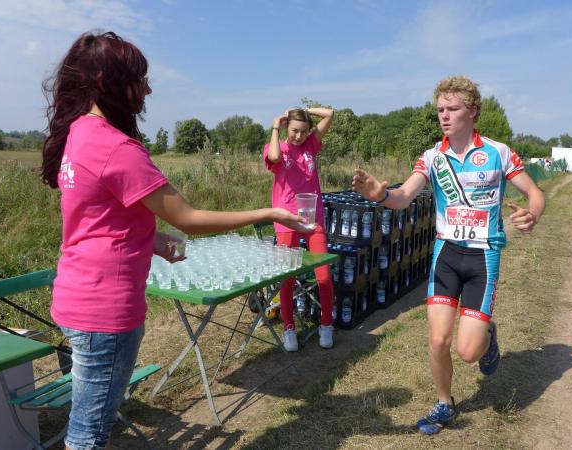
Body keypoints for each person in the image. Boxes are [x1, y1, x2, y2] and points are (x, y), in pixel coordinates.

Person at [40, 31, 310, 450]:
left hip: (75, 296)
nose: (147, 90)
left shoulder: (78, 134)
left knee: (91, 425)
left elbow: (99, 219)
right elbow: (189, 219)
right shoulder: (116, 147)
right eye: (139, 80)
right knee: (88, 436)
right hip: (105, 310)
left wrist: (156, 241)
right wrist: (270, 212)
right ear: (108, 81)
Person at [352, 76, 545, 435]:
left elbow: (535, 193)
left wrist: (532, 213)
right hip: (446, 255)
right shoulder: (432, 157)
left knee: (468, 352)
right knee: (438, 340)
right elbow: (403, 197)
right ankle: (444, 403)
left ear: (472, 111)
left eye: (452, 108)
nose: (444, 115)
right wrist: (381, 195)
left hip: (483, 257)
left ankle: (487, 334)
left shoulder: (498, 152)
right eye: (440, 109)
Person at [264, 107, 335, 351]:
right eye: (295, 130)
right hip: (286, 218)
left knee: (323, 275)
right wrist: (276, 125)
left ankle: (327, 324)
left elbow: (329, 114)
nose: (299, 136)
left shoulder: (311, 146)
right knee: (288, 277)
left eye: (304, 131)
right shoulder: (277, 147)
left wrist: (304, 110)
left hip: (313, 219)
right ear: (286, 128)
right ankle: (289, 328)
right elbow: (274, 158)